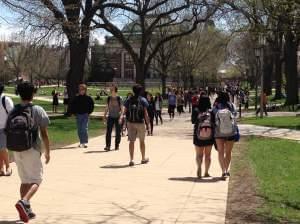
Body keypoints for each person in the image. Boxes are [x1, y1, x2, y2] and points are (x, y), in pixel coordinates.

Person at [6, 82, 50, 222]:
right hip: (31, 148)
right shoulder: (37, 109)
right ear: (33, 93)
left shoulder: (14, 110)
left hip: (16, 149)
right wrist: (47, 151)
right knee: (37, 180)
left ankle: (26, 210)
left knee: (25, 180)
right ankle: (24, 202)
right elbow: (44, 133)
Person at [120, 84, 149, 166]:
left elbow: (124, 111)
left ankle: (131, 159)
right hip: (140, 123)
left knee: (131, 141)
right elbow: (146, 113)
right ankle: (143, 158)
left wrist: (121, 117)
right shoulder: (143, 100)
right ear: (140, 91)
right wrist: (148, 125)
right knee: (142, 141)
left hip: (131, 123)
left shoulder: (129, 100)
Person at [213, 92, 237, 179]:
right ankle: (227, 170)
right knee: (228, 152)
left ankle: (223, 171)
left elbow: (213, 116)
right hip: (230, 131)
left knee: (220, 152)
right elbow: (235, 116)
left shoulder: (216, 106)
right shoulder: (232, 105)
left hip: (219, 131)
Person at [192, 95, 214, 179]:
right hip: (209, 135)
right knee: (208, 155)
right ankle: (206, 172)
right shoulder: (211, 111)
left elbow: (193, 121)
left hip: (198, 135)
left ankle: (199, 167)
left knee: (199, 154)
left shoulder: (196, 110)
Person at [71, 84, 94, 148]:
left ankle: (84, 142)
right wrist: (73, 113)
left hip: (85, 115)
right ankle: (81, 142)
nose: (81, 91)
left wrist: (89, 112)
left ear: (85, 90)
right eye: (80, 89)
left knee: (84, 128)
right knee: (79, 129)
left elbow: (92, 106)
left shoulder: (88, 98)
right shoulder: (76, 98)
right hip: (78, 115)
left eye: (83, 89)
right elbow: (72, 106)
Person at [0, 83, 14, 176]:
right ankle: (1, 168)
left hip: (4, 127)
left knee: (3, 148)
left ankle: (8, 167)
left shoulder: (6, 99)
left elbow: (12, 113)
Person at [104, 86, 123, 151]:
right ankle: (107, 146)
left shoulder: (119, 98)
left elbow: (122, 109)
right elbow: (107, 108)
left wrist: (121, 117)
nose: (110, 90)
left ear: (115, 90)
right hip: (110, 117)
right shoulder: (109, 98)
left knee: (118, 132)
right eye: (110, 89)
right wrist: (104, 116)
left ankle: (117, 145)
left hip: (118, 116)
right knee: (108, 132)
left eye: (112, 89)